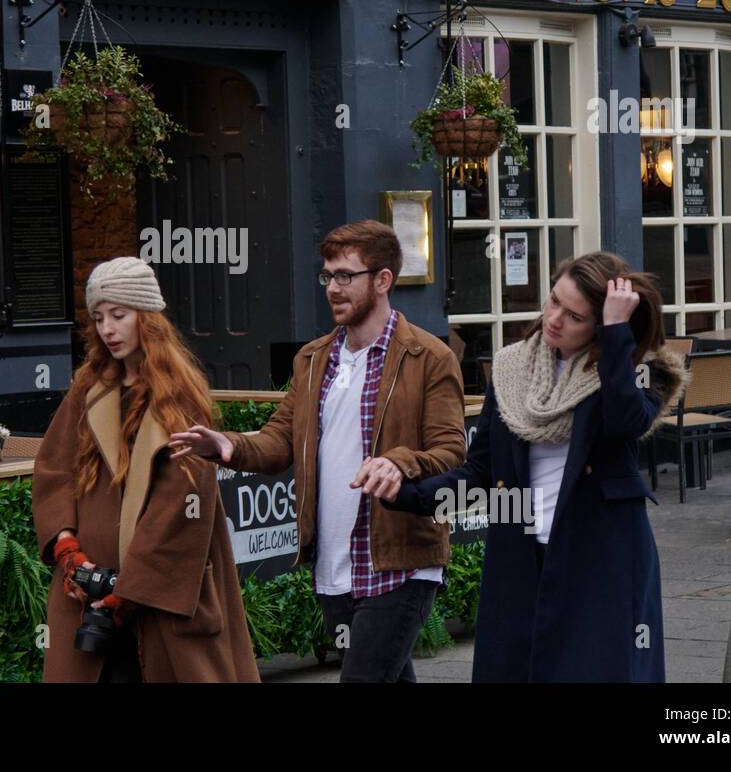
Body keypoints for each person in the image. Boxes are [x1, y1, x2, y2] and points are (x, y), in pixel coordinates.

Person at [171, 220, 466, 682]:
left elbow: (451, 448)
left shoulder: (428, 357)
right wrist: (229, 445)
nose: (333, 287)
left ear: (383, 280)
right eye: (328, 275)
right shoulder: (313, 359)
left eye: (346, 275)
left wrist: (397, 462)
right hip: (332, 563)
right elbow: (280, 439)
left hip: (400, 560)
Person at [383, 251, 686, 682]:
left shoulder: (635, 372)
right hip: (521, 557)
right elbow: (481, 473)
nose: (555, 319)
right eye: (553, 301)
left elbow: (625, 422)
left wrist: (618, 333)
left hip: (601, 559)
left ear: (600, 328)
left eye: (575, 316)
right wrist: (406, 491)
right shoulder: (511, 370)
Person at [33, 256, 259, 682]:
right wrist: (68, 550)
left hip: (163, 600)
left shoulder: (180, 397)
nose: (107, 329)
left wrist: (128, 591)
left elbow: (183, 506)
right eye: (99, 317)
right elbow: (54, 469)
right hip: (85, 594)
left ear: (147, 319)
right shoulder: (88, 389)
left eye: (119, 315)